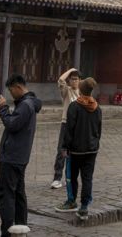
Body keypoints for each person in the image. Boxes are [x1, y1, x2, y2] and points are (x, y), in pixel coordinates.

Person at [0, 74, 42, 234]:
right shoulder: (29, 103)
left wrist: (3, 109)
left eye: (11, 90)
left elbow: (12, 124)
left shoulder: (25, 106)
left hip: (13, 156)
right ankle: (21, 227)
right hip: (20, 156)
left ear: (18, 87)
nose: (11, 94)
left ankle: (7, 230)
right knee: (18, 192)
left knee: (6, 194)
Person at [56, 77, 102, 221]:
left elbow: (69, 130)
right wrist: (94, 143)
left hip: (75, 150)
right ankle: (84, 207)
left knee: (71, 176)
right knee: (87, 178)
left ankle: (71, 201)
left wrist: (65, 147)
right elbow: (99, 130)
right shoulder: (97, 108)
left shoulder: (74, 107)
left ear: (80, 90)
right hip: (92, 149)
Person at [51, 68, 80, 190]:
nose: (74, 81)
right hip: (66, 123)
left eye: (76, 79)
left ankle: (71, 177)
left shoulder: (82, 92)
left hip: (78, 126)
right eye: (72, 79)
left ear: (79, 80)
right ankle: (57, 178)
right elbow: (60, 80)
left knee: (75, 152)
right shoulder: (67, 91)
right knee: (61, 151)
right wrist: (71, 70)